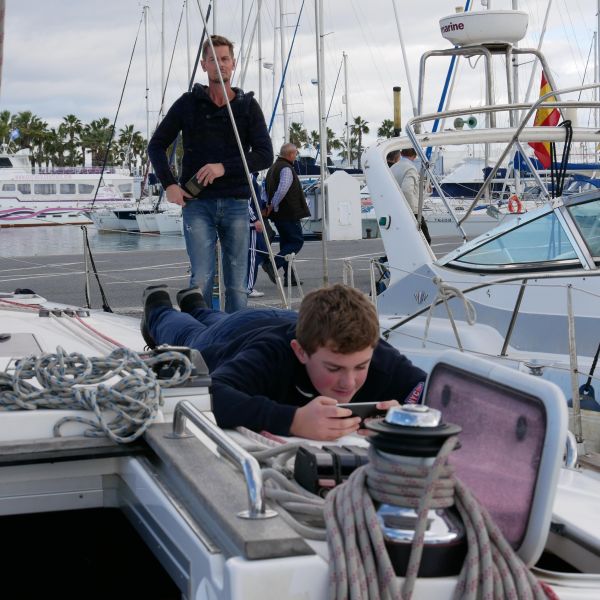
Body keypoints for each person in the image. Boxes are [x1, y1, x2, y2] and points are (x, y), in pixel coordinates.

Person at [140, 283, 427, 441]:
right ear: (300, 352)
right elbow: (215, 394)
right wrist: (293, 421)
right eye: (334, 368)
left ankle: (196, 304)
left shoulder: (378, 354)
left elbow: (427, 391)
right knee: (192, 334)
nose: (348, 382)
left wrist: (406, 414)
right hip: (238, 333)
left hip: (288, 321)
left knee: (214, 318)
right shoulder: (270, 356)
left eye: (360, 367)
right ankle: (158, 307)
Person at [147, 35, 273, 313]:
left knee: (238, 283)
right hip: (197, 204)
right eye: (213, 60)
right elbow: (156, 145)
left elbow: (265, 155)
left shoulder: (247, 107)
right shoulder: (188, 103)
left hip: (237, 204)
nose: (220, 65)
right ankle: (201, 335)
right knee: (201, 278)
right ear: (204, 65)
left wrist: (223, 167)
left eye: (225, 59)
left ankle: (234, 336)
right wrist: (169, 184)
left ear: (234, 64)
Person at [261, 143, 310, 287]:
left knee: (286, 244)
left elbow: (265, 189)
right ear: (290, 154)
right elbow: (282, 189)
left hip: (278, 215)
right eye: (296, 153)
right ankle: (273, 264)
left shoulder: (272, 169)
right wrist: (273, 204)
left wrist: (268, 205)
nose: (296, 156)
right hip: (288, 213)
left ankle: (291, 277)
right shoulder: (286, 168)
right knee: (296, 242)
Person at [390, 148, 432, 243]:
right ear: (415, 156)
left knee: (403, 239)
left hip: (396, 208)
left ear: (401, 153)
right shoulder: (410, 168)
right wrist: (411, 210)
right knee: (425, 240)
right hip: (411, 210)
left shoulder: (393, 167)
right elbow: (407, 190)